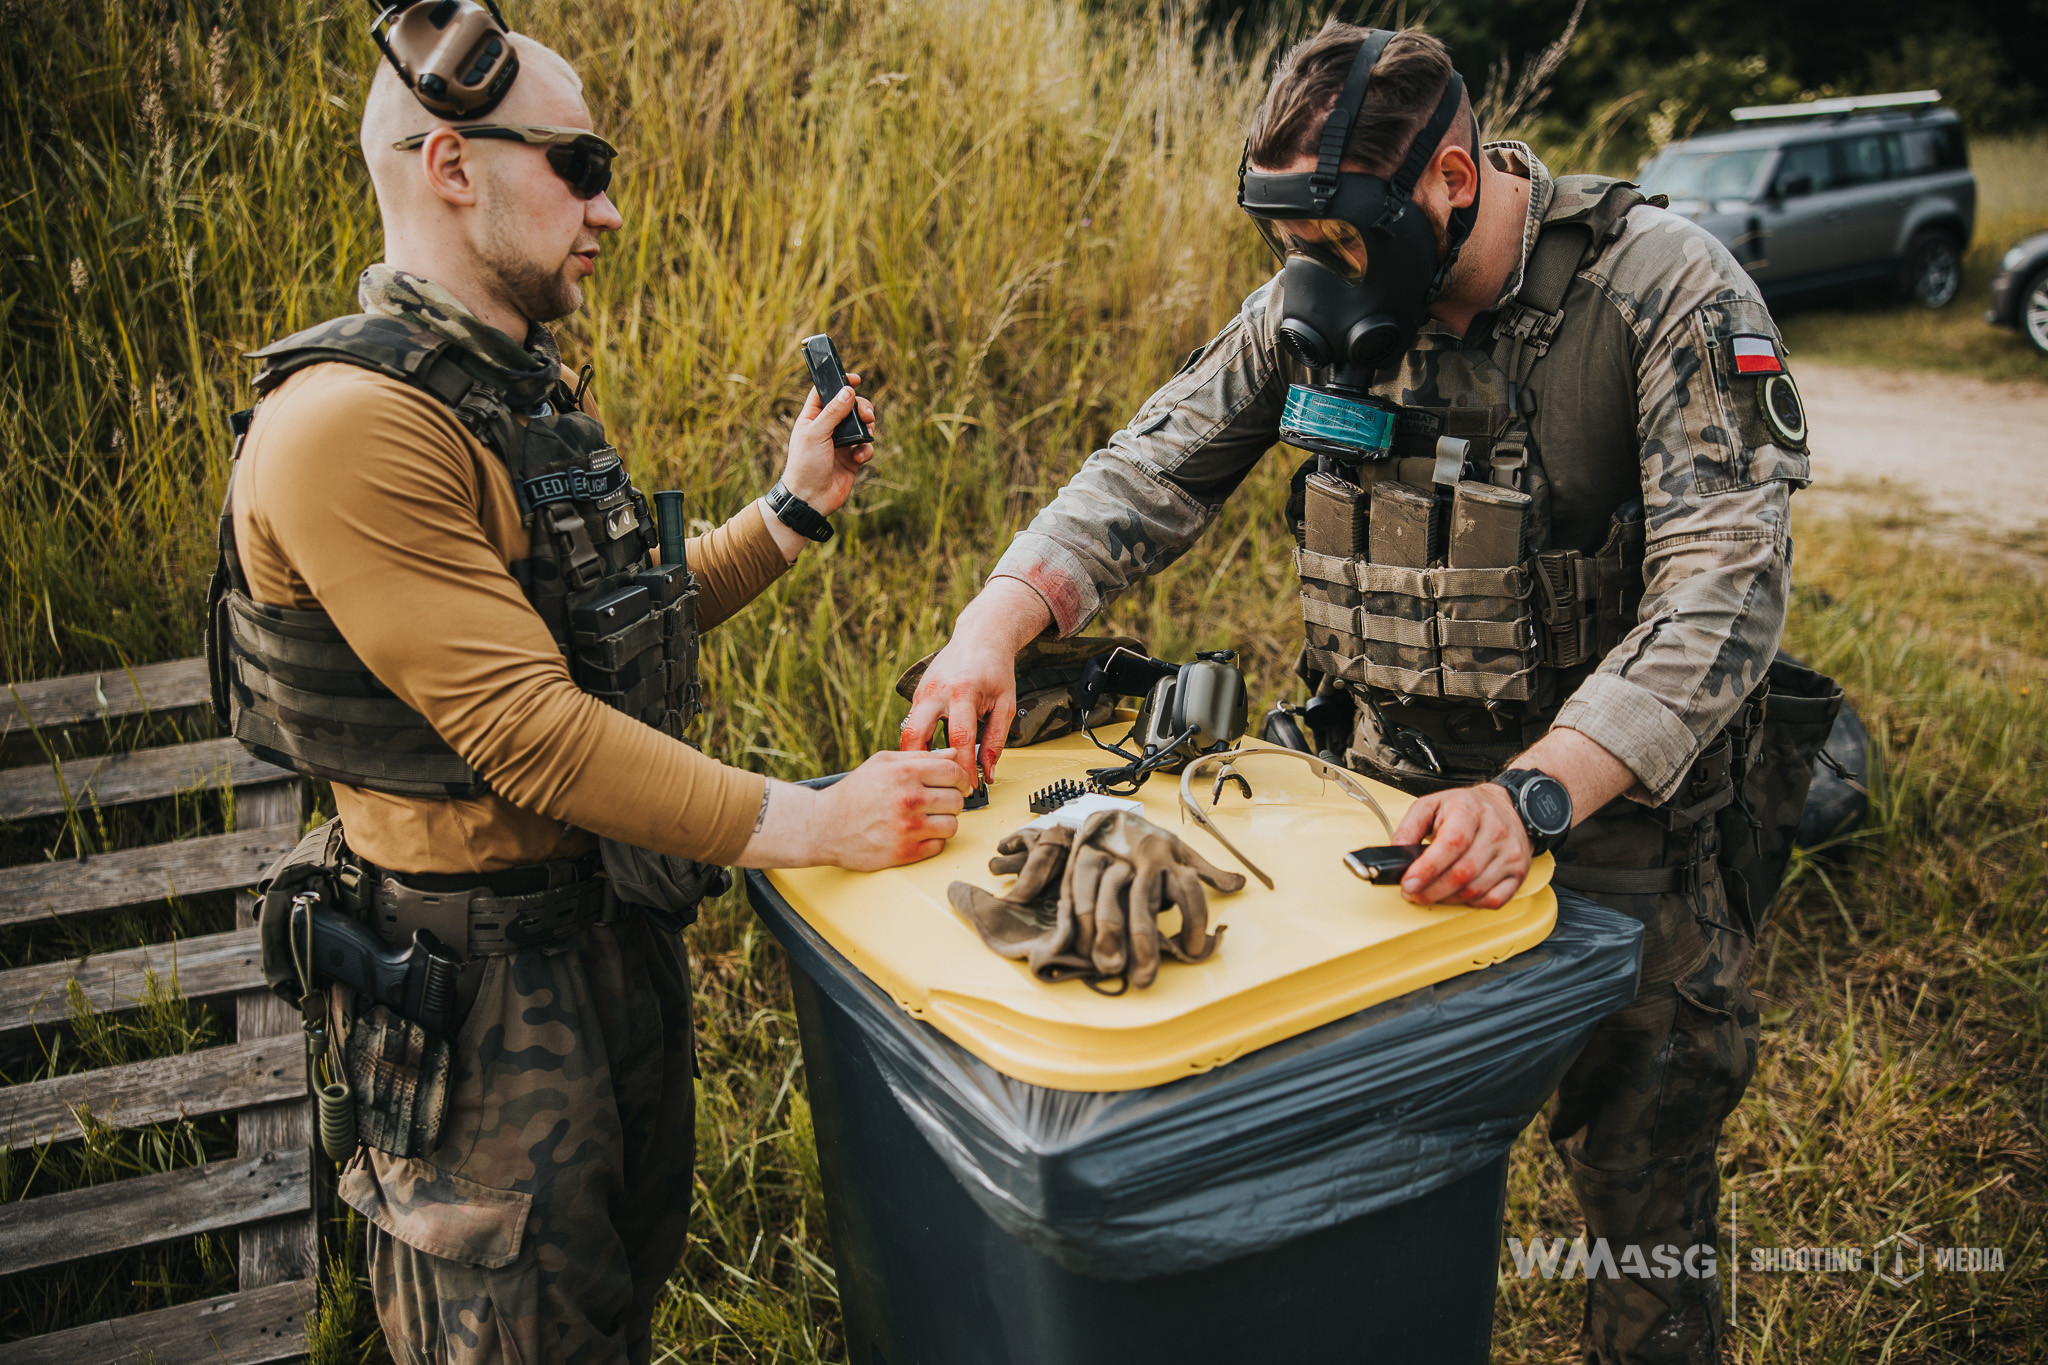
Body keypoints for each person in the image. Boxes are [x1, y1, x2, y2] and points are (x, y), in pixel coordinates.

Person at [902, 23, 1812, 1365]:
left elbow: (1724, 589)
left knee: (1642, 1191)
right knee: (1360, 1183)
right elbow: (1150, 468)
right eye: (1290, 242)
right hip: (1383, 826)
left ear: (1451, 179)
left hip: (1621, 836)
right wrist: (995, 624)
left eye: (1339, 240)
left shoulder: (1662, 291)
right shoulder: (1318, 295)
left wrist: (1535, 792)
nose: (1311, 273)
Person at [208, 25, 968, 1365]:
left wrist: (790, 510)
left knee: (619, 1298)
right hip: (478, 999)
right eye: (579, 164)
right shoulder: (350, 426)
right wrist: (815, 820)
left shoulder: (515, 393)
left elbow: (608, 636)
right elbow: (529, 731)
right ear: (452, 166)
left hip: (608, 943)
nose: (607, 207)